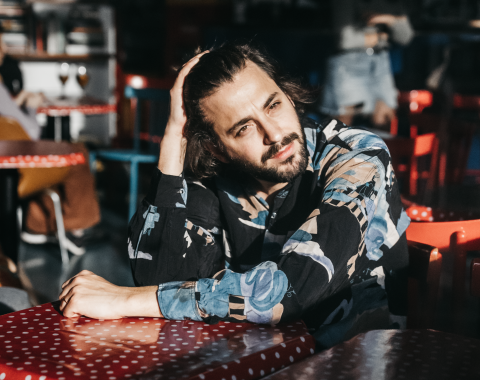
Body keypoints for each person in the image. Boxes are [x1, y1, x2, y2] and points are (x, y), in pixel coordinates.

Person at [59, 43, 409, 350]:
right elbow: (160, 281)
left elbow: (288, 291)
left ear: (287, 94)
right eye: (244, 128)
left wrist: (123, 300)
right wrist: (173, 145)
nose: (274, 134)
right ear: (217, 148)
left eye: (273, 105)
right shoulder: (216, 176)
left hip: (353, 363)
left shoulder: (358, 156)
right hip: (250, 361)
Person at [0, 28, 100, 255]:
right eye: (0, 45)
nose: (5, 50)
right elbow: (32, 132)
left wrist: (18, 103)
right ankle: (75, 229)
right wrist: (32, 106)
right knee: (76, 152)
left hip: (9, 163)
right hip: (17, 167)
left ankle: (37, 224)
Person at [320, 0, 414, 129]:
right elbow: (345, 40)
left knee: (384, 123)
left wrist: (389, 19)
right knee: (340, 130)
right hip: (349, 64)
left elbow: (406, 37)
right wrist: (381, 37)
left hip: (381, 62)